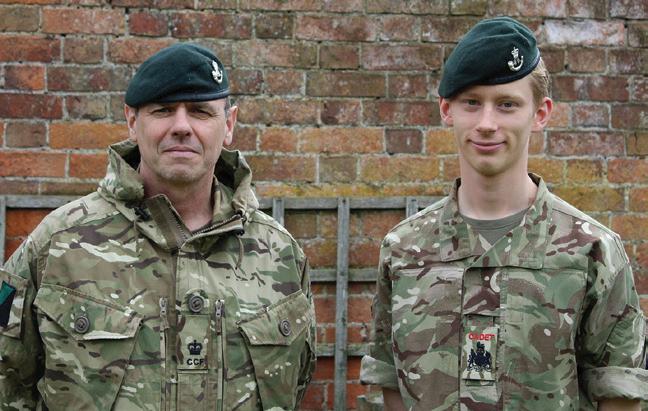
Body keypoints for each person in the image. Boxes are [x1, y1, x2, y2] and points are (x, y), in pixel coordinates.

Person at [0, 43, 315, 410]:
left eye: (200, 111)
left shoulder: (281, 255)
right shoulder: (56, 244)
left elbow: (297, 382)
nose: (181, 127)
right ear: (133, 122)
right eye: (163, 110)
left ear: (228, 125)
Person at [360, 17, 648, 410]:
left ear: (540, 113)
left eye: (507, 104)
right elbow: (392, 385)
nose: (487, 124)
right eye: (471, 102)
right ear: (446, 109)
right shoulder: (403, 250)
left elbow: (619, 394)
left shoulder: (592, 251)